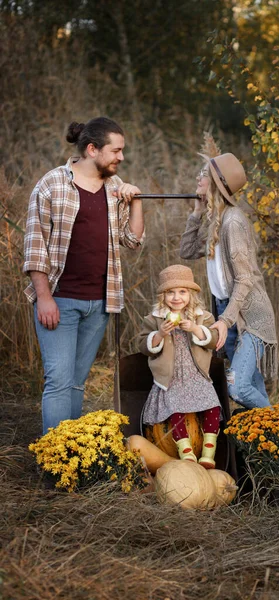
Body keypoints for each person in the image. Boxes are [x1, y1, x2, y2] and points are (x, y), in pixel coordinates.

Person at [23, 117, 145, 434]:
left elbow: (132, 242)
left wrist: (136, 203)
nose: (121, 157)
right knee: (59, 380)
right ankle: (54, 461)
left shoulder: (116, 188)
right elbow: (35, 247)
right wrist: (45, 298)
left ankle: (71, 455)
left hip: (100, 303)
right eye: (116, 151)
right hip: (60, 301)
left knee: (76, 383)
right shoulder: (51, 185)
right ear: (92, 149)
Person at [180, 153, 278, 410]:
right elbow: (187, 251)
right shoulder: (217, 220)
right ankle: (276, 444)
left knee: (236, 386)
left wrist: (225, 321)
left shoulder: (232, 222)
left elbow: (245, 280)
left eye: (203, 174)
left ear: (214, 182)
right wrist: (197, 213)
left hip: (249, 315)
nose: (198, 178)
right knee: (252, 386)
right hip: (228, 310)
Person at [139, 264, 221, 469]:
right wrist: (160, 334)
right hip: (171, 378)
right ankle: (186, 452)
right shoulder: (154, 319)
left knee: (212, 404)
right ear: (162, 296)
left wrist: (195, 328)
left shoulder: (203, 316)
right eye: (170, 293)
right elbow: (142, 345)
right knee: (174, 407)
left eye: (182, 292)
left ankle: (208, 452)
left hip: (196, 375)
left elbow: (213, 340)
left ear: (191, 294)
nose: (177, 298)